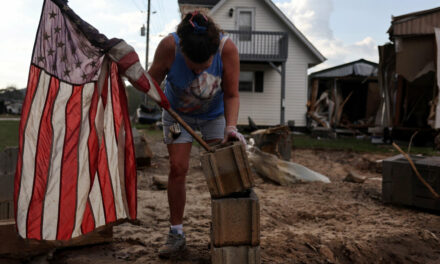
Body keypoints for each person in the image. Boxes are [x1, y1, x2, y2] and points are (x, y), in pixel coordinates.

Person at [148, 11, 245, 258]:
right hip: (176, 114)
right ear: (182, 52)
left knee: (223, 170)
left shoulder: (227, 49)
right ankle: (176, 234)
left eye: (206, 65)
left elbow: (232, 94)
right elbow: (151, 82)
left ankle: (223, 230)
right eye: (194, 66)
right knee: (178, 167)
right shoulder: (169, 46)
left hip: (214, 116)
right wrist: (153, 95)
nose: (201, 70)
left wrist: (230, 127)